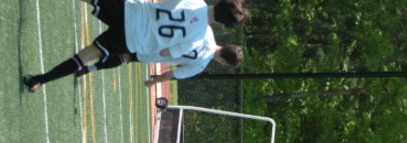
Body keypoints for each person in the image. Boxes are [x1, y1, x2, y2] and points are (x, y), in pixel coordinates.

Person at [23, 0, 249, 92]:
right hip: (133, 40)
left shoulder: (195, 2)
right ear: (224, 24)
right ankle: (39, 80)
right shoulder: (198, 37)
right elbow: (166, 52)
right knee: (84, 56)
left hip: (131, 12)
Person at [75, 27, 244, 86]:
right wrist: (154, 82)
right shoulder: (200, 65)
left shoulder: (206, 30)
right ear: (223, 61)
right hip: (150, 54)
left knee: (117, 41)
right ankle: (88, 68)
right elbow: (171, 74)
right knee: (124, 57)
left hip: (153, 35)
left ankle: (85, 60)